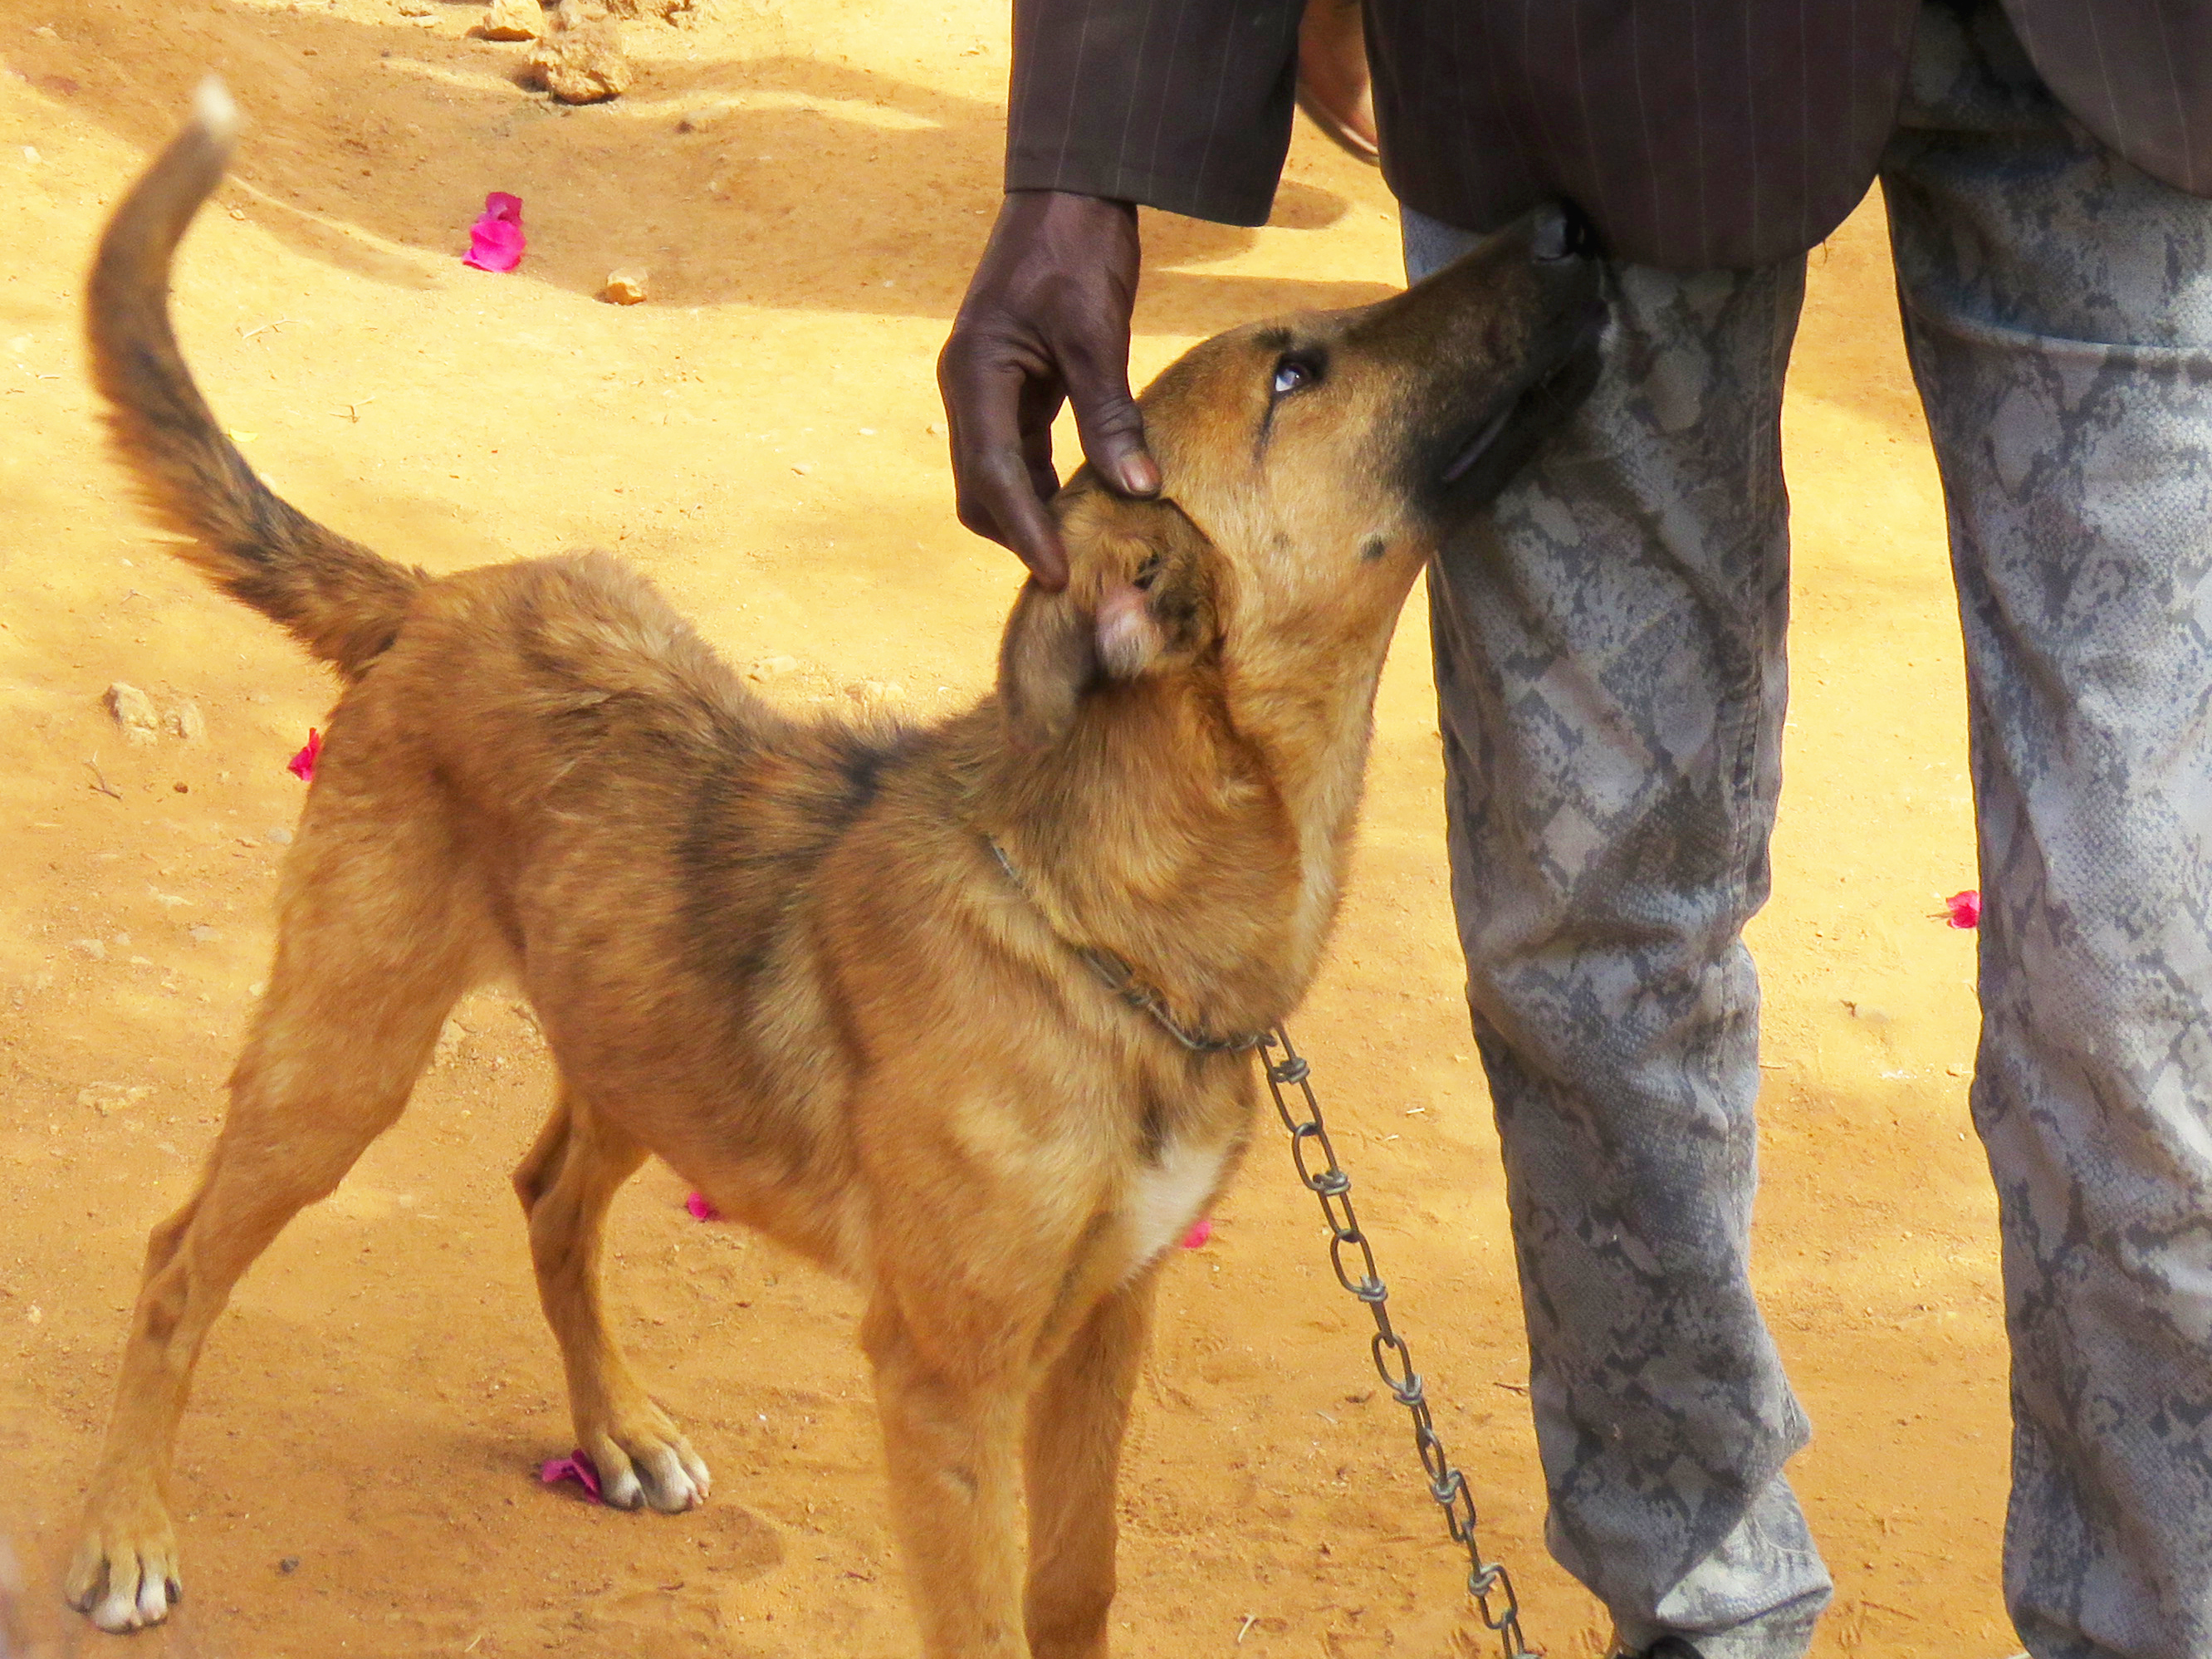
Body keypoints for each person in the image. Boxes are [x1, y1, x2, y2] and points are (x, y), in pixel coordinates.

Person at [935, 4, 2212, 1659]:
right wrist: (1089, 153)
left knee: (2147, 995)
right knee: (1593, 933)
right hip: (1597, 63)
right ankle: (1701, 1618)